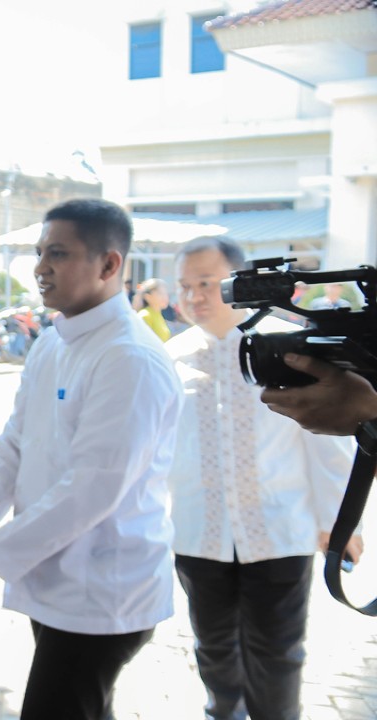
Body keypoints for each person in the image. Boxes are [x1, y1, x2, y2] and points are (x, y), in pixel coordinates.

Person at [0, 199, 182, 720]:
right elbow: (18, 438)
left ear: (110, 265)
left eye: (59, 254)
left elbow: (92, 490)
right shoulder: (52, 343)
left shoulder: (128, 358)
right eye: (40, 252)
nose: (41, 267)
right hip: (57, 579)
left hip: (103, 590)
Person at [167, 235, 361, 720]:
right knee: (212, 647)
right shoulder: (169, 358)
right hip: (199, 534)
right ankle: (222, 712)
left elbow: (328, 443)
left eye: (207, 283)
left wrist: (339, 526)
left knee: (277, 653)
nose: (194, 296)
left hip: (278, 531)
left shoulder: (286, 345)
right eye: (185, 285)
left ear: (236, 285)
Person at [135, 277, 171, 342]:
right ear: (148, 297)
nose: (165, 297)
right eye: (160, 293)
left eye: (166, 293)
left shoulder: (158, 314)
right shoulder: (145, 316)